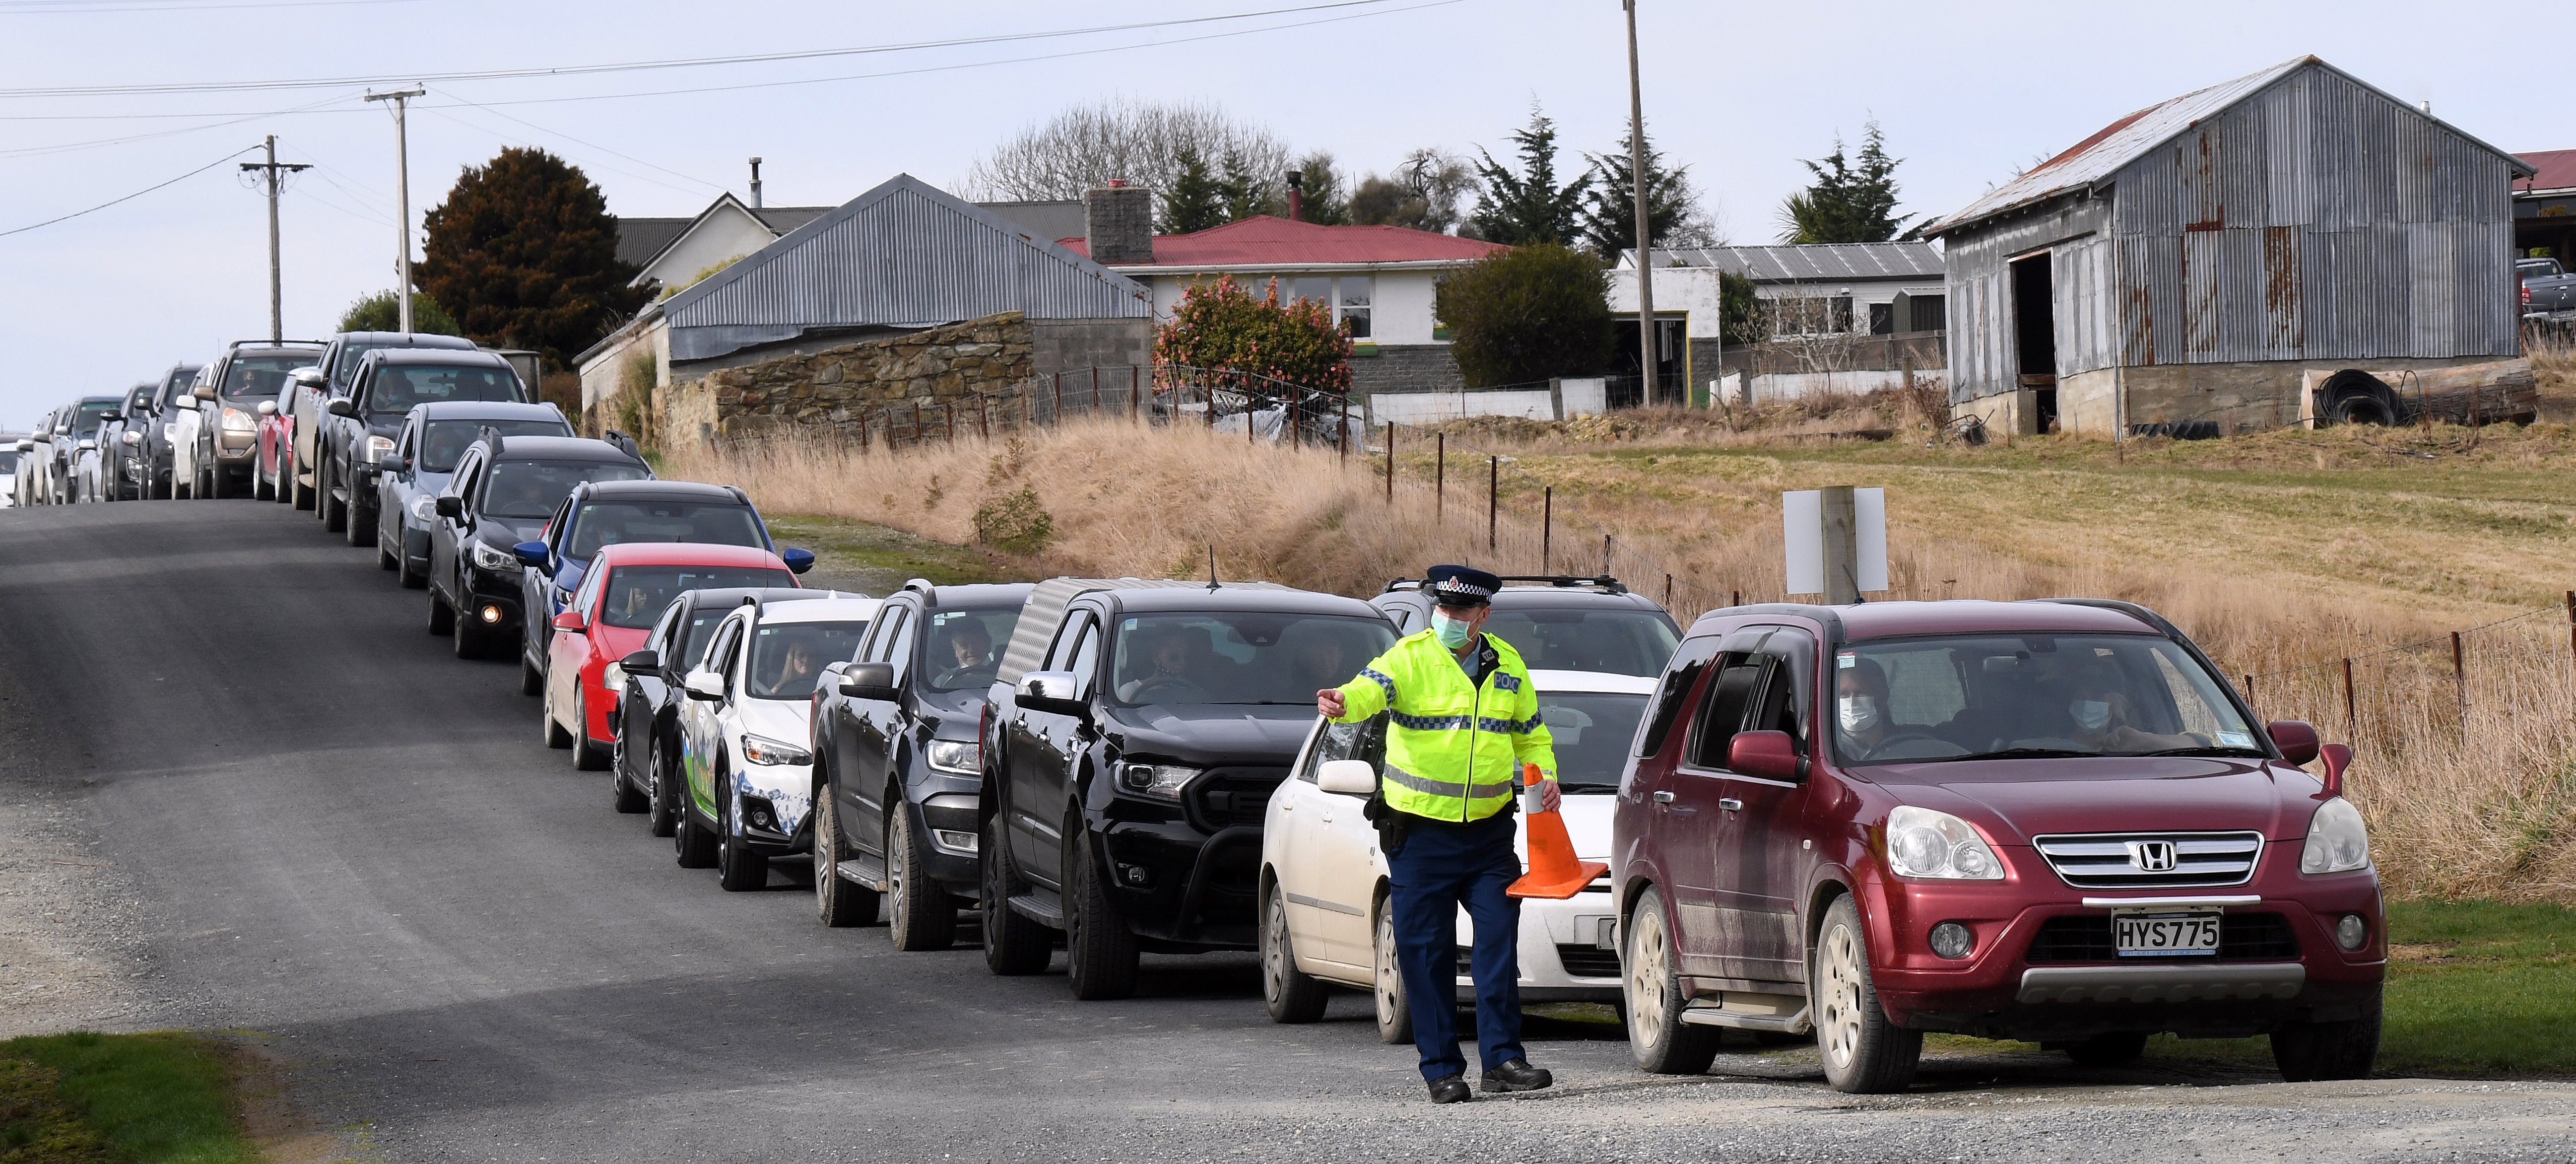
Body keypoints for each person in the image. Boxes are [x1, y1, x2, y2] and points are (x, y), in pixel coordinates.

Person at [1315, 565, 1559, 1104]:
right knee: (1426, 955)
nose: (1447, 618)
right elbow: (1366, 690)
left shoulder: (1508, 665)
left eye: (1460, 611)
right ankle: (1442, 1067)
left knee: (1497, 941)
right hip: (1420, 835)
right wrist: (1341, 703)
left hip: (1489, 835)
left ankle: (1503, 1058)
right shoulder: (1410, 656)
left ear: (1483, 615)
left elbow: (1532, 737)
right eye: (1442, 608)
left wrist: (1546, 777)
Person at [1834, 655, 1895, 760]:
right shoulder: (1832, 752)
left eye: (1860, 693)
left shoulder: (1907, 743)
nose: (1851, 702)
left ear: (1883, 697)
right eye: (1844, 694)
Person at [931, 619, 996, 687]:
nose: (971, 650)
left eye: (977, 643)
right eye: (964, 645)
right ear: (955, 650)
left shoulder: (1006, 679)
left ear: (988, 644)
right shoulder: (943, 683)